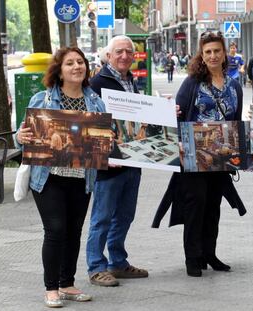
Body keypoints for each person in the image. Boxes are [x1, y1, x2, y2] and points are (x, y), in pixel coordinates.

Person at [15, 47, 105, 308]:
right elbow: (22, 136)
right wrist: (20, 138)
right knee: (55, 230)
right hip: (48, 177)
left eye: (80, 62)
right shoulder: (41, 100)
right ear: (59, 70)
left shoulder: (96, 103)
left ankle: (67, 284)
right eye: (70, 63)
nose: (77, 66)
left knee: (74, 231)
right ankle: (51, 288)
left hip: (82, 176)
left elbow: (104, 139)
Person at [156, 31, 244, 277]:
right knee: (196, 205)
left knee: (213, 206)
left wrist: (242, 152)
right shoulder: (192, 83)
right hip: (194, 155)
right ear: (201, 56)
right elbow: (179, 115)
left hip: (222, 155)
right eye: (208, 52)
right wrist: (178, 146)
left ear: (224, 53)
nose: (213, 55)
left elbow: (236, 122)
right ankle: (192, 258)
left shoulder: (234, 85)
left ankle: (209, 253)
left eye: (217, 51)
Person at [86, 35, 148, 287]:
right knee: (102, 216)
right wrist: (101, 155)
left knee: (124, 215)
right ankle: (96, 266)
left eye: (128, 52)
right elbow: (90, 121)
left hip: (133, 158)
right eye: (119, 52)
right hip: (109, 163)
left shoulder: (130, 80)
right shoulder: (97, 82)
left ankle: (118, 262)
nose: (124, 56)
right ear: (108, 56)